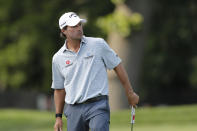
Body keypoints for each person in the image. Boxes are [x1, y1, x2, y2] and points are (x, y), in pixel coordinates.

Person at [51, 12, 139, 131]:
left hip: (98, 105)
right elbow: (59, 89)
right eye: (74, 26)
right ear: (64, 30)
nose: (79, 28)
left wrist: (130, 93)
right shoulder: (58, 58)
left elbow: (118, 66)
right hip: (73, 109)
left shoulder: (98, 44)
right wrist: (58, 117)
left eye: (79, 25)